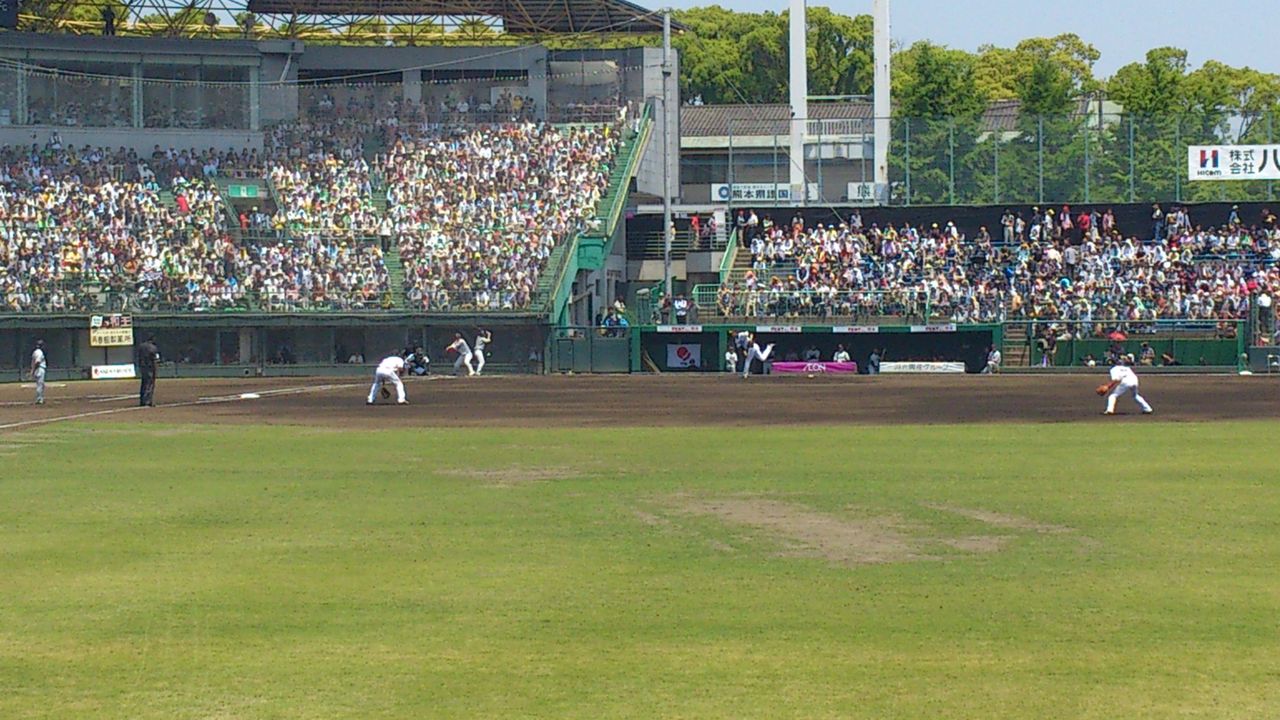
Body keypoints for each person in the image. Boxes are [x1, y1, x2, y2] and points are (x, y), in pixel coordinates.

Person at [136, 335, 160, 407]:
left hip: (143, 367)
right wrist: (156, 370)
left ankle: (142, 400)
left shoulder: (141, 346)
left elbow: (139, 357)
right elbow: (155, 360)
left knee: (144, 384)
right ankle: (148, 401)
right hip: (150, 368)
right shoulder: (153, 347)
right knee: (149, 384)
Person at [29, 339, 47, 405]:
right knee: (40, 385)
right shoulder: (39, 352)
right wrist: (33, 370)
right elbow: (37, 362)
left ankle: (39, 398)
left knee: (40, 384)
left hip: (38, 369)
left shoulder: (35, 352)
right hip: (39, 369)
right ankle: (39, 399)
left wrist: (32, 370)